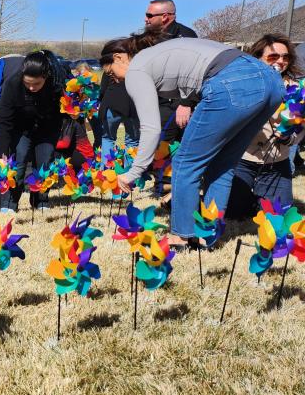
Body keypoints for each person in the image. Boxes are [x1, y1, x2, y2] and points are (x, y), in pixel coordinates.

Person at [101, 32, 283, 246]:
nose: (115, 80)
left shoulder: (137, 68)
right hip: (272, 81)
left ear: (118, 57)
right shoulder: (158, 56)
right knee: (223, 164)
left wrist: (133, 173)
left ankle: (182, 235)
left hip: (232, 80)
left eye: (111, 73)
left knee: (185, 162)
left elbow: (150, 127)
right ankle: (208, 236)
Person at [226, 34, 304, 218]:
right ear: (258, 57)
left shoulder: (297, 90)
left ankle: (262, 200)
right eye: (273, 56)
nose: (281, 61)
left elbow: (301, 127)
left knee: (279, 216)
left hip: (277, 163)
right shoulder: (242, 84)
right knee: (234, 214)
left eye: (286, 57)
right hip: (242, 160)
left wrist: (290, 137)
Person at [0, 51, 64, 214]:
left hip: (47, 128)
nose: (31, 87)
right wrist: (2, 153)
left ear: (46, 77)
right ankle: (9, 202)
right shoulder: (12, 84)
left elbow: (65, 109)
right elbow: (3, 122)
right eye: (28, 83)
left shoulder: (56, 83)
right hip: (20, 128)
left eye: (37, 84)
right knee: (17, 162)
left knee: (45, 162)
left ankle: (40, 199)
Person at [144, 0, 197, 145]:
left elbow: (194, 74)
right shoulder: (150, 37)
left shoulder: (186, 36)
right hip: (154, 104)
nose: (145, 19)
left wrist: (186, 103)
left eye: (149, 15)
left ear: (165, 16)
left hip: (174, 107)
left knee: (166, 151)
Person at [98, 60, 139, 158]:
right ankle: (129, 171)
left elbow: (102, 89)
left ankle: (106, 170)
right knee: (132, 141)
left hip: (112, 102)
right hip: (131, 104)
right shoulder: (137, 68)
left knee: (108, 138)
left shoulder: (111, 67)